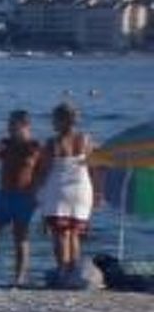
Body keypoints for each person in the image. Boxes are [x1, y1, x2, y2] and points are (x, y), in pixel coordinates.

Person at [33, 101, 97, 281]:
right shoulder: (86, 139)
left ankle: (62, 271)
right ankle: (74, 273)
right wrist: (97, 193)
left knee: (60, 234)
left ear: (62, 120)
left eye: (54, 119)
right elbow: (95, 166)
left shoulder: (52, 143)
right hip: (82, 189)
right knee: (74, 234)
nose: (52, 123)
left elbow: (44, 171)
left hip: (58, 190)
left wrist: (37, 191)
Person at [0, 108, 42, 284]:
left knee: (20, 237)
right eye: (9, 124)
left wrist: (37, 196)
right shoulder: (5, 144)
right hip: (3, 195)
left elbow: (42, 174)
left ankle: (19, 277)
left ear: (25, 126)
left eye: (13, 124)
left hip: (24, 197)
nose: (9, 127)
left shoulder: (35, 146)